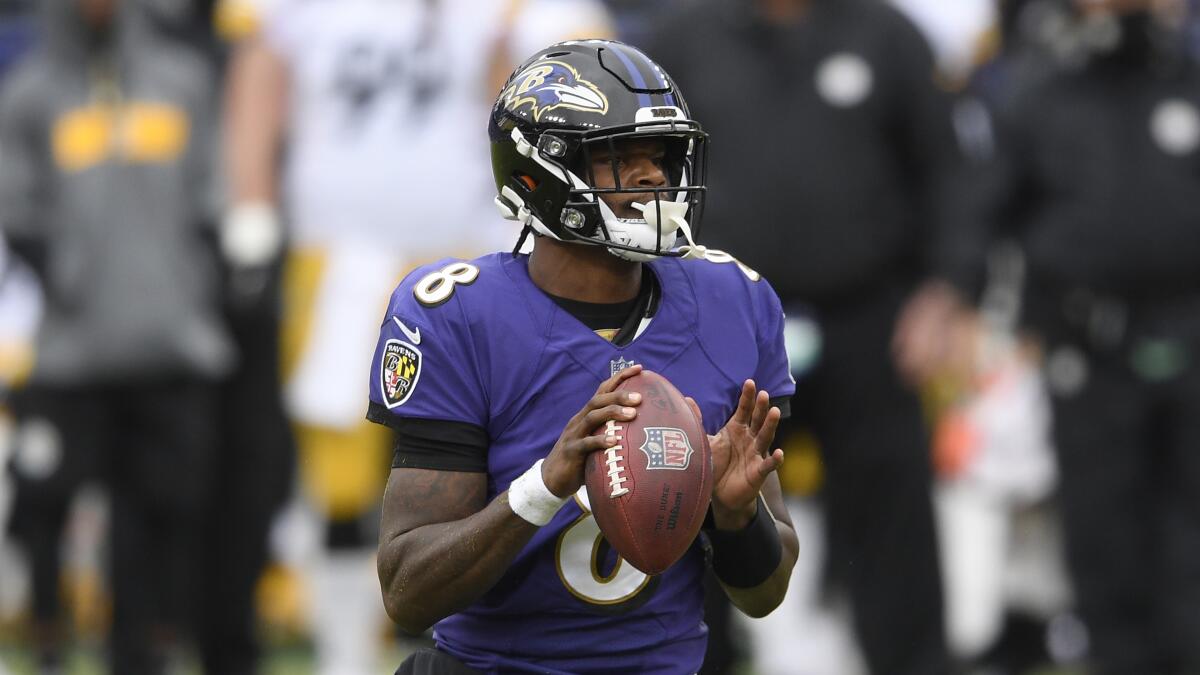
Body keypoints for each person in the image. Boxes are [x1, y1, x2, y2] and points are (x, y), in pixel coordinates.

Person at [366, 40, 800, 674]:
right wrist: (544, 487)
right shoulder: (461, 316)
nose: (654, 176)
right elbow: (408, 592)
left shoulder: (732, 300)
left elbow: (765, 594)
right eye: (621, 158)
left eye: (661, 154)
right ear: (541, 172)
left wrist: (736, 520)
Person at [221, 2, 613, 673]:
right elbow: (260, 79)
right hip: (337, 255)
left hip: (464, 250)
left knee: (473, 458)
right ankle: (343, 651)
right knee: (339, 473)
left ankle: (449, 640)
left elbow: (559, 75)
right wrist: (251, 205)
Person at [644, 2, 963, 673]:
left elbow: (949, 171)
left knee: (894, 524)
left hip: (868, 316)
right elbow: (637, 182)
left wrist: (947, 288)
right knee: (691, 510)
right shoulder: (679, 40)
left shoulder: (887, 34)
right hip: (716, 327)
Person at [964, 0, 1200, 672]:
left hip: (1192, 337)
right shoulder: (1041, 94)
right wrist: (964, 296)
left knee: (1191, 543)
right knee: (1105, 542)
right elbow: (984, 212)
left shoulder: (1189, 81)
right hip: (1088, 350)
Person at [0, 0, 231, 673]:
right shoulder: (31, 94)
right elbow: (18, 211)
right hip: (72, 351)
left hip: (171, 343)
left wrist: (197, 286)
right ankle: (46, 642)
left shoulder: (182, 80)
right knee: (43, 505)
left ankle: (139, 652)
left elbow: (211, 200)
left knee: (156, 513)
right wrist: (65, 280)